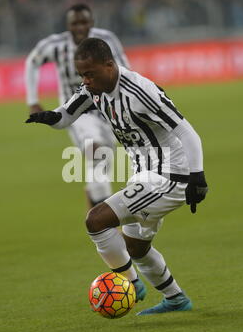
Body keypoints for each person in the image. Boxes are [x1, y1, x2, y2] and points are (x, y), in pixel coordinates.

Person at [26, 38, 208, 315]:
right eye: (82, 75)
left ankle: (132, 284)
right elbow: (66, 115)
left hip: (170, 175)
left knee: (96, 220)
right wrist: (49, 117)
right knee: (135, 247)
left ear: (109, 65)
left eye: (90, 74)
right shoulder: (93, 88)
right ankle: (176, 299)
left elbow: (186, 131)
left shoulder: (140, 91)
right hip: (143, 174)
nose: (85, 81)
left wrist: (197, 177)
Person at [25, 4, 130, 208]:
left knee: (103, 162)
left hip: (108, 110)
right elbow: (32, 61)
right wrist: (33, 100)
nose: (80, 27)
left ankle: (95, 208)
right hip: (77, 112)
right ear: (68, 25)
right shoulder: (56, 45)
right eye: (75, 23)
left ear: (92, 23)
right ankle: (109, 221)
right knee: (96, 152)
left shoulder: (106, 40)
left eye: (84, 22)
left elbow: (125, 68)